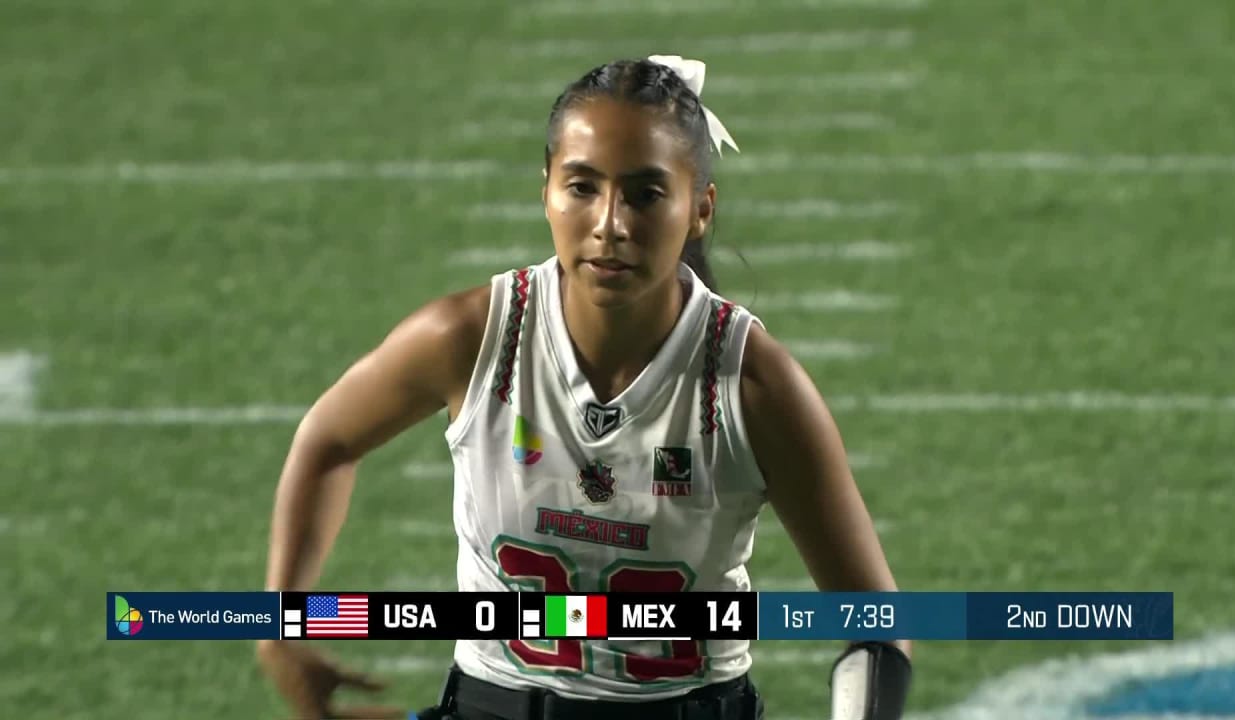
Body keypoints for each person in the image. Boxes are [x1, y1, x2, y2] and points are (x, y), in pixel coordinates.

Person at [255, 54, 912, 720]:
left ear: (700, 209)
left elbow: (878, 628)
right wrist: (282, 622)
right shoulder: (470, 337)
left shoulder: (752, 384)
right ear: (546, 191)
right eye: (582, 187)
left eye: (645, 194)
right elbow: (328, 439)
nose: (609, 224)